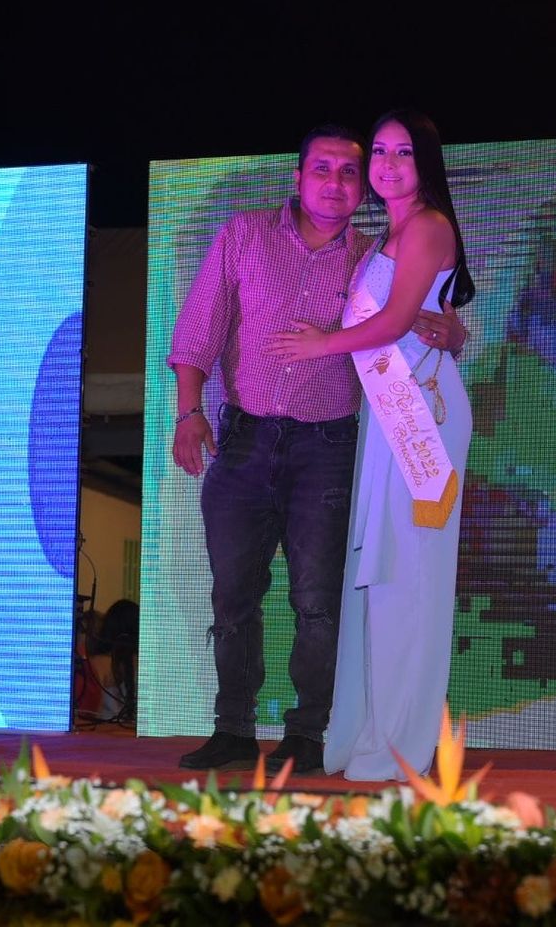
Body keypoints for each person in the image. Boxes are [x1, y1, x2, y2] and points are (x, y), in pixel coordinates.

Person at [168, 125, 465, 774]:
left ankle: (308, 734)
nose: (335, 182)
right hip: (243, 441)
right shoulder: (244, 235)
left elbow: (419, 310)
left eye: (348, 172)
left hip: (328, 448)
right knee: (232, 596)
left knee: (319, 601)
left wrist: (452, 330)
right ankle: (232, 729)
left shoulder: (372, 255)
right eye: (322, 169)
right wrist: (188, 412)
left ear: (362, 188)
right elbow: (197, 329)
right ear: (298, 176)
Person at [267, 110, 475, 780]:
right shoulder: (387, 234)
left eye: (402, 153)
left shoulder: (429, 226)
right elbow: (420, 318)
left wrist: (320, 344)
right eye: (379, 152)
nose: (387, 165)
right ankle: (366, 730)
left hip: (421, 417)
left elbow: (392, 321)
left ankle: (401, 741)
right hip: (388, 417)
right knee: (377, 577)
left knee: (408, 578)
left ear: (426, 161)